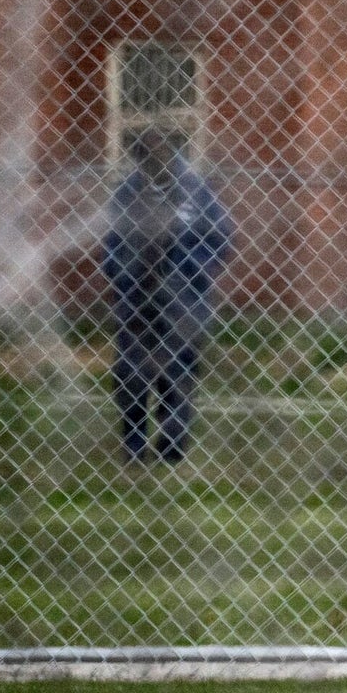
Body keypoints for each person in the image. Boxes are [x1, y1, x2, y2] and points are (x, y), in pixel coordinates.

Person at [99, 128, 234, 464]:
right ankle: (134, 442)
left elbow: (221, 240)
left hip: (184, 301)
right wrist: (126, 275)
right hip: (137, 299)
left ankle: (172, 444)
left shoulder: (196, 191)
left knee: (178, 370)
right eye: (145, 157)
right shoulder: (128, 192)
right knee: (131, 371)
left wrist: (190, 269)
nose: (154, 162)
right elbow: (111, 247)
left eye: (162, 155)